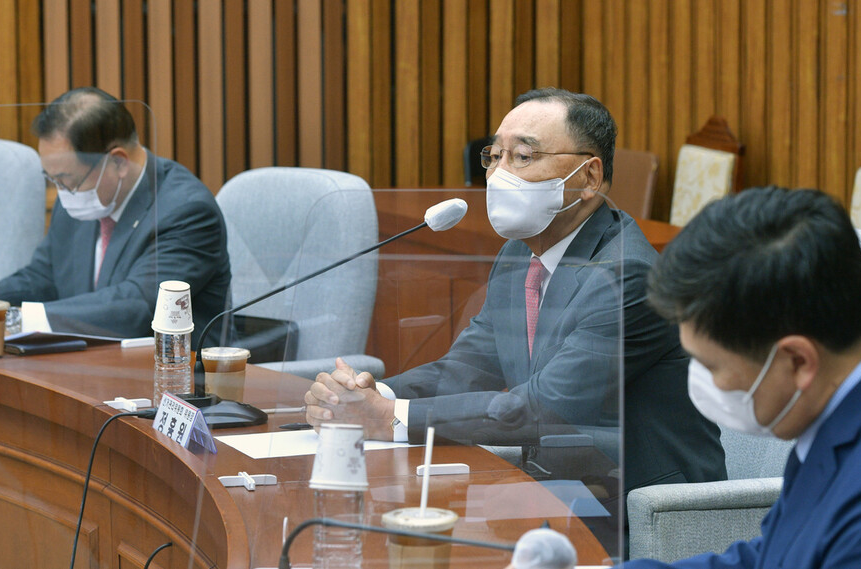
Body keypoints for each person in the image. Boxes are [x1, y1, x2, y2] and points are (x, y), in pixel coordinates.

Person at [305, 88, 726, 493]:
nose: (500, 174)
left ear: (589, 177)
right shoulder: (518, 256)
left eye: (524, 156)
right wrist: (369, 393)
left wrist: (387, 418)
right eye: (495, 156)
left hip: (642, 511)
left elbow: (545, 408)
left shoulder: (627, 276)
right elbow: (468, 368)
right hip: (560, 487)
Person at [625, 187, 861, 568]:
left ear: (798, 361)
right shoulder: (838, 406)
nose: (699, 382)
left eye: (711, 366)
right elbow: (770, 557)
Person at [0, 87, 232, 349]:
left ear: (118, 162)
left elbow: (138, 306)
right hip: (87, 367)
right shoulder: (83, 193)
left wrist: (12, 320)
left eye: (66, 179)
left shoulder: (187, 211)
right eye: (53, 180)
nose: (62, 192)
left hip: (168, 385)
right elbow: (46, 276)